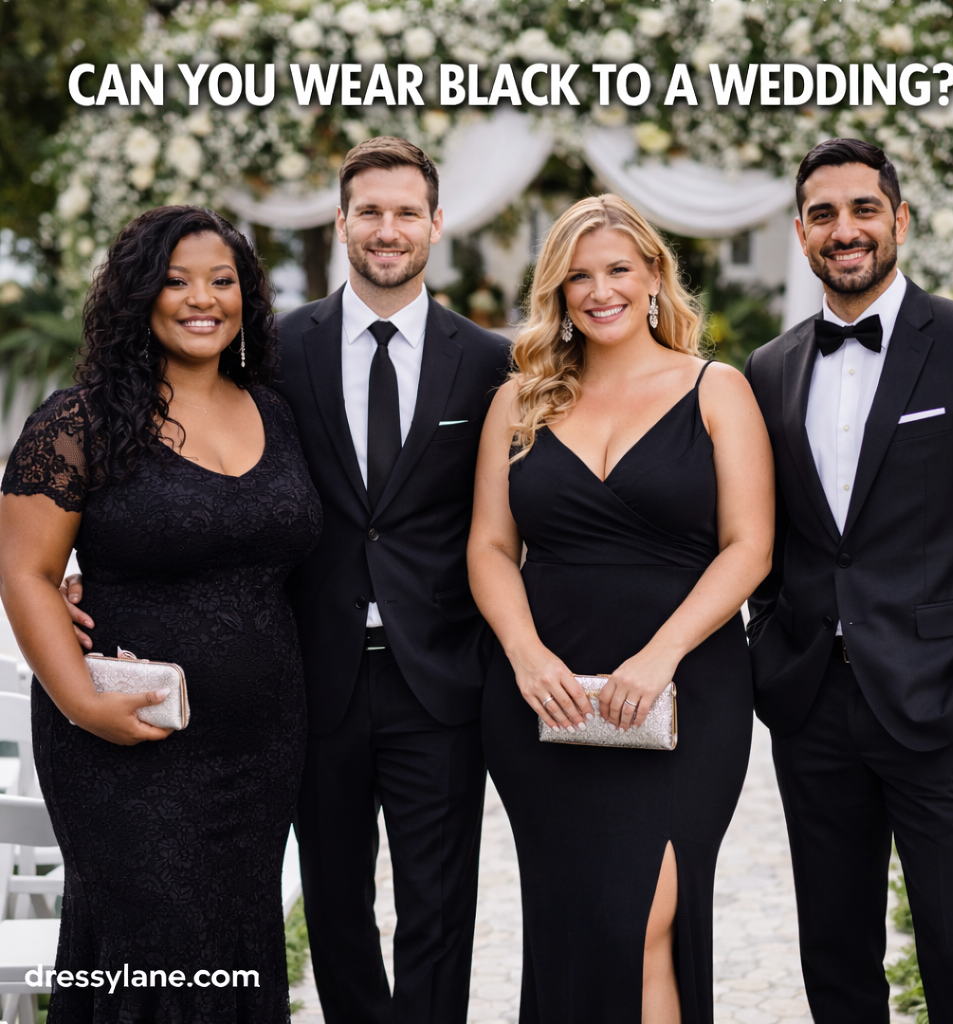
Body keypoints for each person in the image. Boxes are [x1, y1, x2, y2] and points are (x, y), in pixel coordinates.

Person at [0, 206, 322, 1021]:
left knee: (237, 943)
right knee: (152, 944)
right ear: (138, 296)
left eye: (222, 281)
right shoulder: (79, 423)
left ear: (246, 298)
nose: (200, 299)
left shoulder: (276, 414)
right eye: (175, 281)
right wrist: (81, 702)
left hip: (261, 747)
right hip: (125, 742)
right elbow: (26, 570)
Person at [468, 194, 775, 1023]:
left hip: (685, 695)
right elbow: (490, 549)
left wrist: (660, 654)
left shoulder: (718, 390)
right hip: (547, 700)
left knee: (643, 920)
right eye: (577, 277)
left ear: (652, 277)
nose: (598, 290)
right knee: (577, 926)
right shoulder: (520, 401)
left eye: (616, 270)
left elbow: (749, 547)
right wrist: (527, 659)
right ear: (557, 293)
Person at [744, 138, 953, 1024]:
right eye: (823, 214)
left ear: (899, 220)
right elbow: (773, 537)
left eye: (864, 209)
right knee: (834, 957)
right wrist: (770, 649)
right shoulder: (769, 367)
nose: (846, 230)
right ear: (800, 233)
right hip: (812, 706)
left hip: (945, 703)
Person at [273, 138, 509, 1023]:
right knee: (335, 907)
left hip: (440, 677)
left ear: (436, 224)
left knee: (439, 909)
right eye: (369, 211)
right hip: (314, 671)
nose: (387, 229)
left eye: (407, 211)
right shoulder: (279, 350)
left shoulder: (489, 363)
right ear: (340, 223)